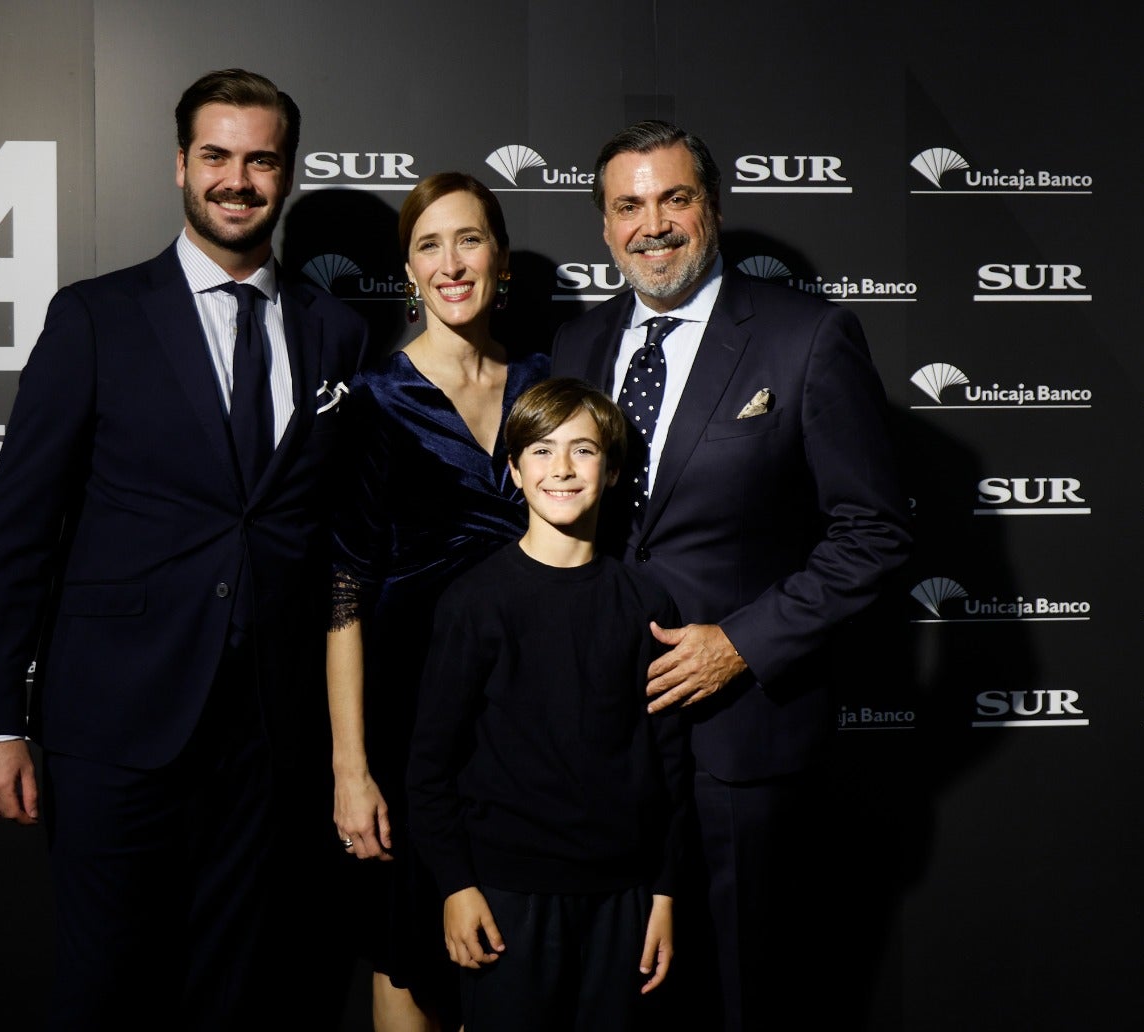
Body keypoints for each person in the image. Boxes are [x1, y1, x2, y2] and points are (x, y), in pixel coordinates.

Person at [0, 68, 367, 1030]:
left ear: (288, 174)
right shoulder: (95, 316)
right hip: (115, 719)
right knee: (108, 986)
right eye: (215, 156)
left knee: (245, 987)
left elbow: (329, 529)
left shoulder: (335, 331)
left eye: (261, 159)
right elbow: (19, 525)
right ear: (180, 165)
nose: (238, 179)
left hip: (269, 729)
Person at [550, 120, 913, 1031]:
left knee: (745, 995)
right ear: (603, 226)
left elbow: (873, 531)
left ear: (711, 207)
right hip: (598, 747)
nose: (654, 225)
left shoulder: (807, 337)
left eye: (675, 199)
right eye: (628, 206)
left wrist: (741, 645)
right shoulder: (577, 348)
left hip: (737, 744)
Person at [326, 171, 549, 1031]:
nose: (451, 263)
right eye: (429, 245)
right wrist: (352, 770)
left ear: (499, 259)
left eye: (469, 239)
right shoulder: (375, 399)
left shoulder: (547, 383)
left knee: (512, 954)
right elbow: (343, 590)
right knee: (409, 950)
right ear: (409, 272)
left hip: (526, 715)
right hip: (411, 716)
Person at [406, 377, 691, 1032]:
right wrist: (455, 885)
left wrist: (667, 892)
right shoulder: (474, 602)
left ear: (613, 470)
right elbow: (429, 766)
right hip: (506, 897)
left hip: (623, 897)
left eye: (583, 450)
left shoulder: (647, 605)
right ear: (513, 468)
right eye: (541, 450)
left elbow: (673, 767)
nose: (561, 468)